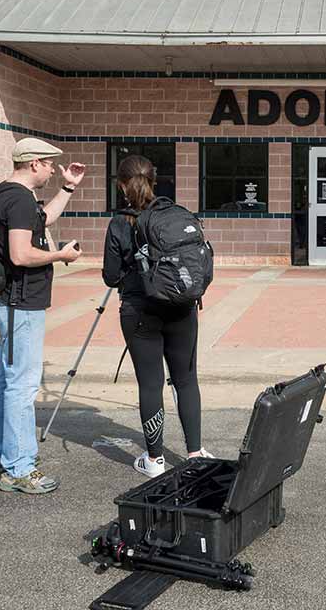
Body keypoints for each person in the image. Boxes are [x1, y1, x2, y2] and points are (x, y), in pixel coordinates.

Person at [0, 137, 84, 494]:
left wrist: (67, 188)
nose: (53, 170)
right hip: (20, 304)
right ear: (34, 163)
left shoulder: (5, 194)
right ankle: (19, 468)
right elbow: (21, 255)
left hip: (9, 302)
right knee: (22, 386)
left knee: (6, 380)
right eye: (50, 164)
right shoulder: (20, 200)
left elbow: (43, 220)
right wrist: (61, 256)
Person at [102, 154, 212, 477]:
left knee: (151, 384)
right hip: (181, 306)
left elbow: (110, 276)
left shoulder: (119, 223)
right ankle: (195, 452)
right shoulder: (175, 215)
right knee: (186, 379)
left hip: (140, 311)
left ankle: (155, 460)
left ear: (122, 185)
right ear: (154, 180)